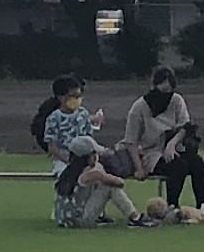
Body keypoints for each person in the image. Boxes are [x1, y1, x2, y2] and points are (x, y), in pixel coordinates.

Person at [39, 76, 138, 227]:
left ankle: (98, 211)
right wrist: (69, 159)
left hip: (83, 154)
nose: (77, 99)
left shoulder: (83, 114)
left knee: (96, 177)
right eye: (73, 96)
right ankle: (131, 217)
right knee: (78, 178)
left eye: (79, 96)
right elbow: (52, 146)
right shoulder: (54, 118)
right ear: (61, 97)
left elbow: (88, 139)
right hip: (66, 158)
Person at [127, 68, 204, 216]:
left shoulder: (176, 100)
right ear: (154, 86)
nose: (166, 95)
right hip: (152, 153)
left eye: (169, 91)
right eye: (163, 90)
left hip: (177, 147)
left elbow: (185, 126)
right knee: (178, 166)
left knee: (198, 163)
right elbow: (131, 141)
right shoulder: (139, 107)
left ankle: (203, 206)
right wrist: (139, 168)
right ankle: (172, 206)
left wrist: (172, 144)